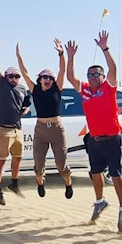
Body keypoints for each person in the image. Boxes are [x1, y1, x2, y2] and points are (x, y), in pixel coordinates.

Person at [66, 32, 122, 233]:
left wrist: (105, 48)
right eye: (90, 74)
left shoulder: (108, 88)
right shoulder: (85, 90)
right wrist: (71, 57)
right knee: (94, 172)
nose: (93, 77)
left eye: (96, 74)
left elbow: (113, 68)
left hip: (112, 139)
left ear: (102, 77)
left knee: (117, 174)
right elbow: (70, 77)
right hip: (95, 140)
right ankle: (100, 201)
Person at [16, 39, 74, 198]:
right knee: (39, 164)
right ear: (40, 79)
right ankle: (40, 184)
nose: (48, 79)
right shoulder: (34, 89)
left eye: (50, 77)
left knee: (61, 164)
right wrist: (18, 56)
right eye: (45, 77)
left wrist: (61, 54)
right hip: (40, 130)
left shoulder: (57, 88)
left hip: (56, 129)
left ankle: (68, 184)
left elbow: (62, 71)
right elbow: (24, 71)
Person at [0, 34, 32, 206]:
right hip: (3, 128)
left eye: (16, 76)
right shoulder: (1, 84)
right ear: (5, 76)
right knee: (1, 160)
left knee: (18, 158)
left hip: (17, 129)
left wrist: (23, 111)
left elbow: (27, 105)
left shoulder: (22, 88)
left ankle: (14, 183)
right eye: (11, 76)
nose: (14, 79)